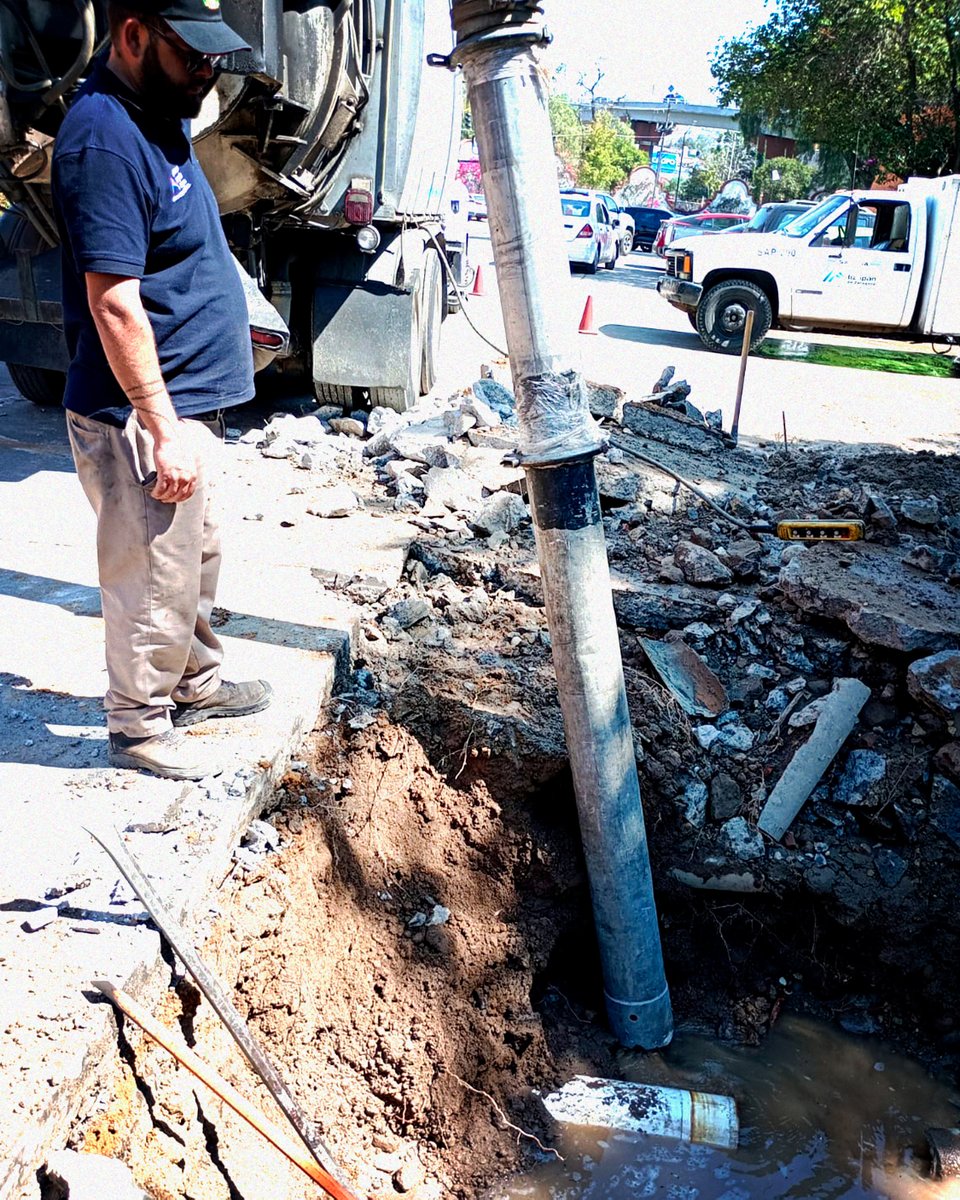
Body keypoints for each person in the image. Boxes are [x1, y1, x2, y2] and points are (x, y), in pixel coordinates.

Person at [52, 0, 272, 781]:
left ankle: (195, 683)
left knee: (195, 555)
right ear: (134, 35)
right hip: (139, 414)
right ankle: (139, 726)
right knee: (151, 576)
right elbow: (114, 301)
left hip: (182, 403)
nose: (208, 70)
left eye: (215, 56)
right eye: (193, 56)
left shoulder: (158, 111)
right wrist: (161, 423)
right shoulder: (104, 139)